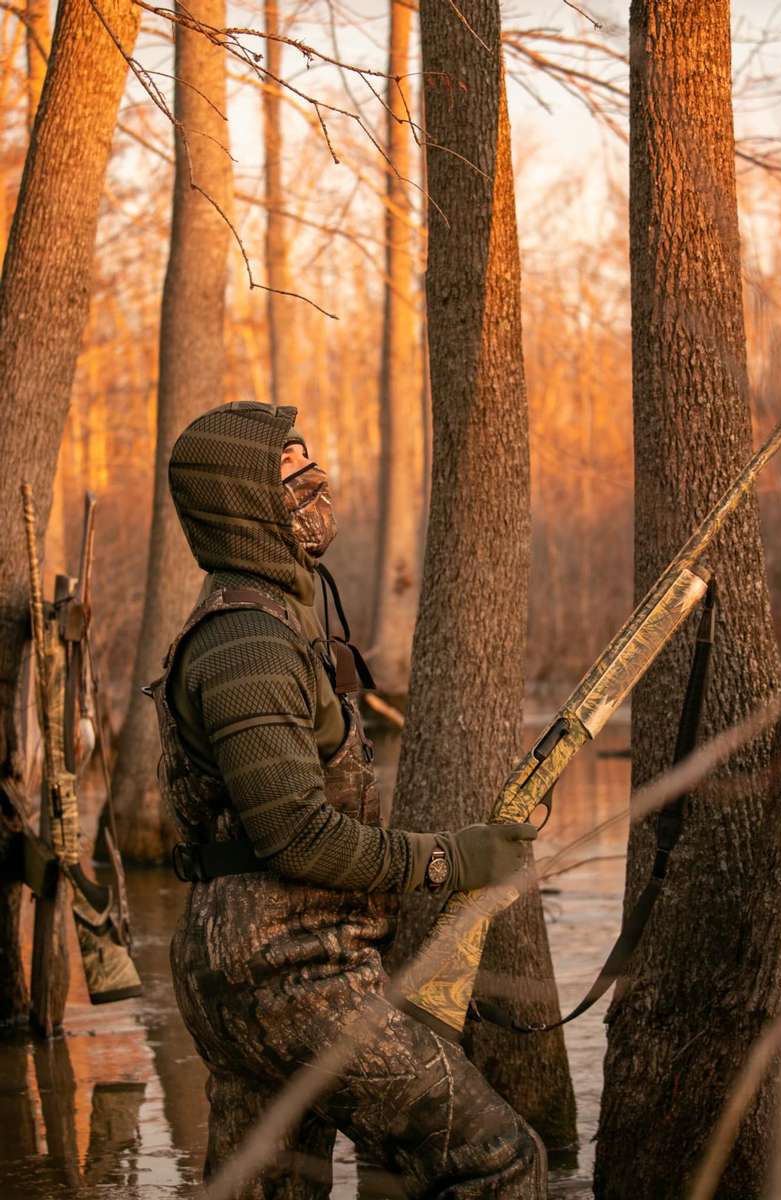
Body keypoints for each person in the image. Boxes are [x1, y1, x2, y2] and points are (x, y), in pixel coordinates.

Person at [152, 401, 547, 1199]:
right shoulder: (248, 644)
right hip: (287, 975)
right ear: (241, 505)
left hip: (256, 969)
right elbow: (295, 835)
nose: (313, 485)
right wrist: (449, 859)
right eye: (289, 476)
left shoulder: (273, 619)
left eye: (310, 465)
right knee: (497, 1161)